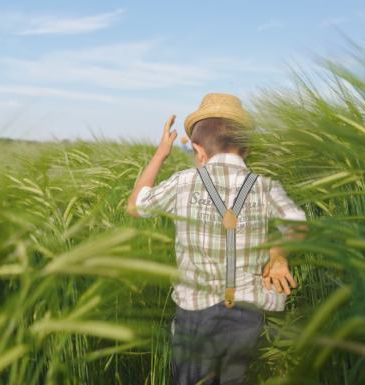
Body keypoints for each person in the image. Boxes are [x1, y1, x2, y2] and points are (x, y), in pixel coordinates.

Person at [127, 93, 307, 385]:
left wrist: (161, 153)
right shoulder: (264, 186)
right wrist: (278, 255)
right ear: (246, 149)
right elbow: (296, 223)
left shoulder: (183, 182)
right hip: (247, 315)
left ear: (198, 150)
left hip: (195, 312)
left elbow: (135, 206)